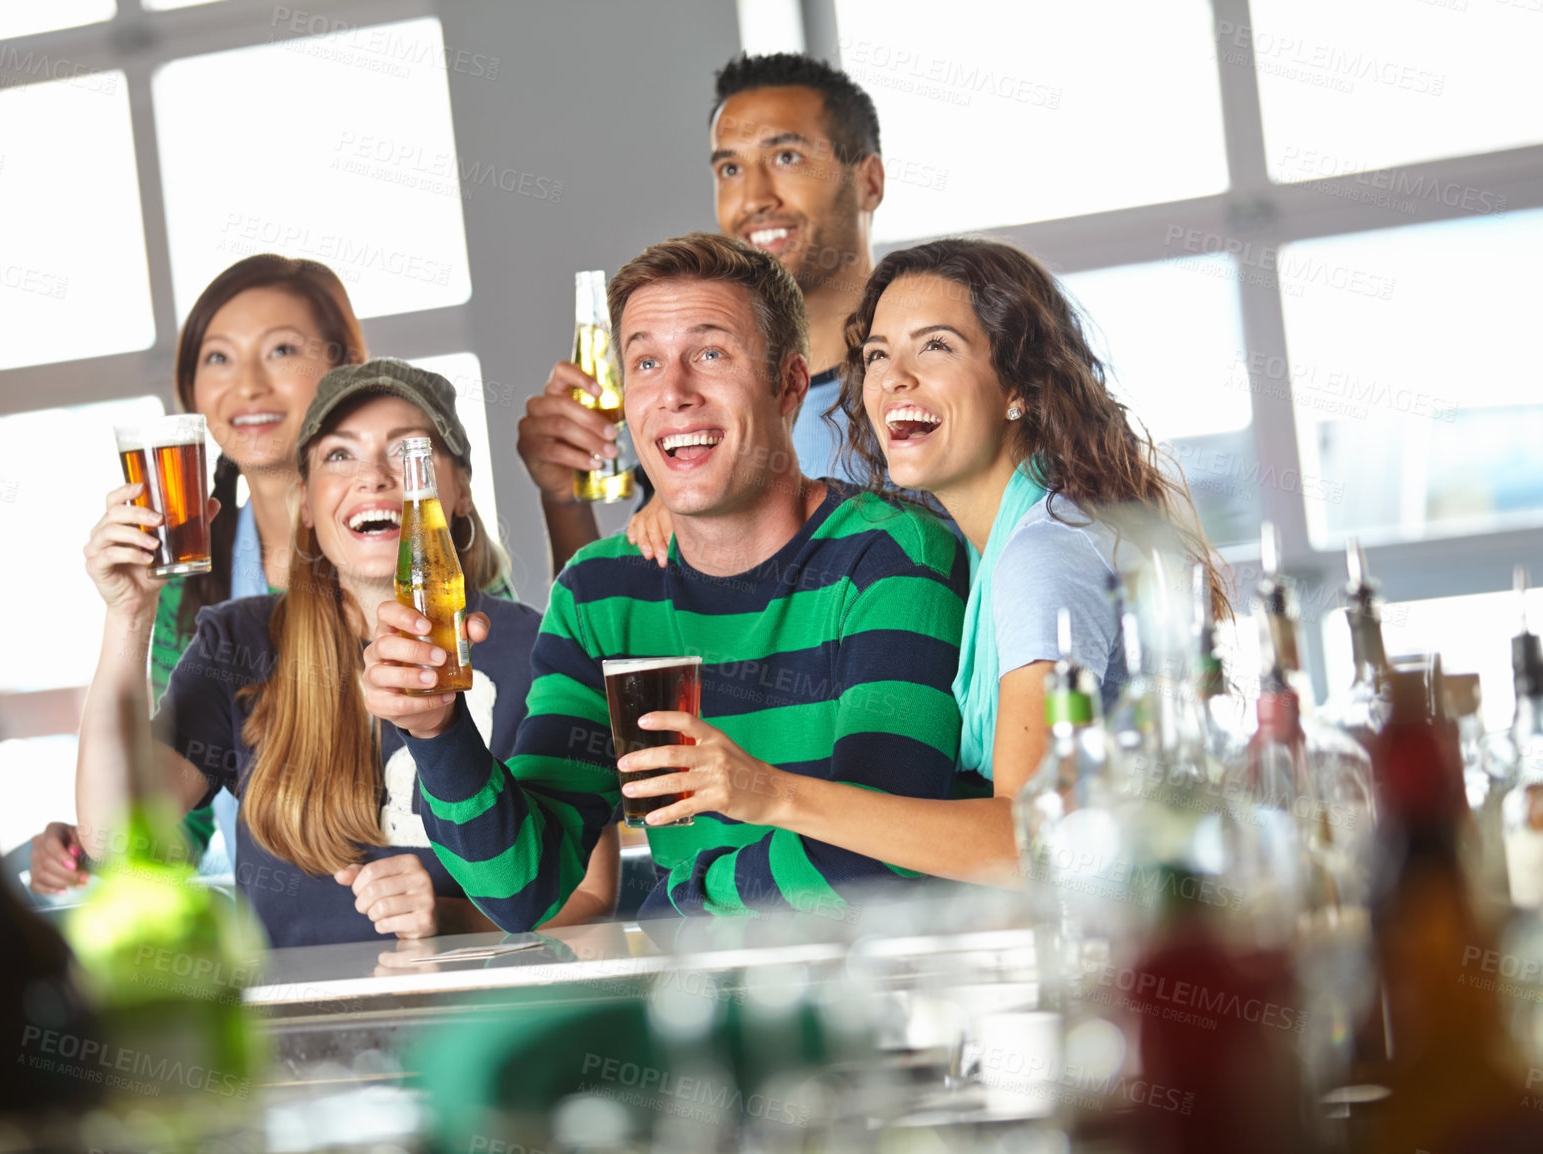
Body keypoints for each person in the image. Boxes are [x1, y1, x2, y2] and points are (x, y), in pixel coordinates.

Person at [365, 234, 967, 930]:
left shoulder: (889, 555)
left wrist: (680, 903)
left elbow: (882, 859)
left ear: (789, 385)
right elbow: (528, 889)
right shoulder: (600, 593)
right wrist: (437, 732)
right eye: (646, 362)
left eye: (710, 354)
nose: (674, 393)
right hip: (700, 1007)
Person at [619, 238, 1231, 886]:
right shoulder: (1012, 536)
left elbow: (1036, 843)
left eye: (935, 347)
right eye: (878, 355)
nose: (893, 379)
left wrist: (768, 793)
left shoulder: (1039, 558)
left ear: (1018, 385)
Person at [74, 359, 621, 946]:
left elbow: (592, 892)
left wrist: (456, 919)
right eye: (339, 455)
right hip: (300, 1030)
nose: (376, 476)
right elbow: (114, 839)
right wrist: (128, 614)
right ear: (306, 503)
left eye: (410, 451)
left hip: (483, 1024)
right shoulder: (238, 645)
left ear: (461, 491)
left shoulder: (536, 648)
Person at [30, 255, 368, 895]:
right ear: (191, 394)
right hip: (278, 924)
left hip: (427, 913)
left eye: (282, 350)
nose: (246, 385)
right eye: (218, 358)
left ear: (346, 371)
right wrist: (91, 842)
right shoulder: (186, 588)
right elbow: (171, 834)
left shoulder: (413, 546)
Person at [518, 53, 886, 574]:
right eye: (731, 168)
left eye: (785, 158)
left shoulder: (922, 385)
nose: (754, 198)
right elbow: (621, 629)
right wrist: (564, 497)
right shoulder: (690, 409)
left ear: (869, 181)